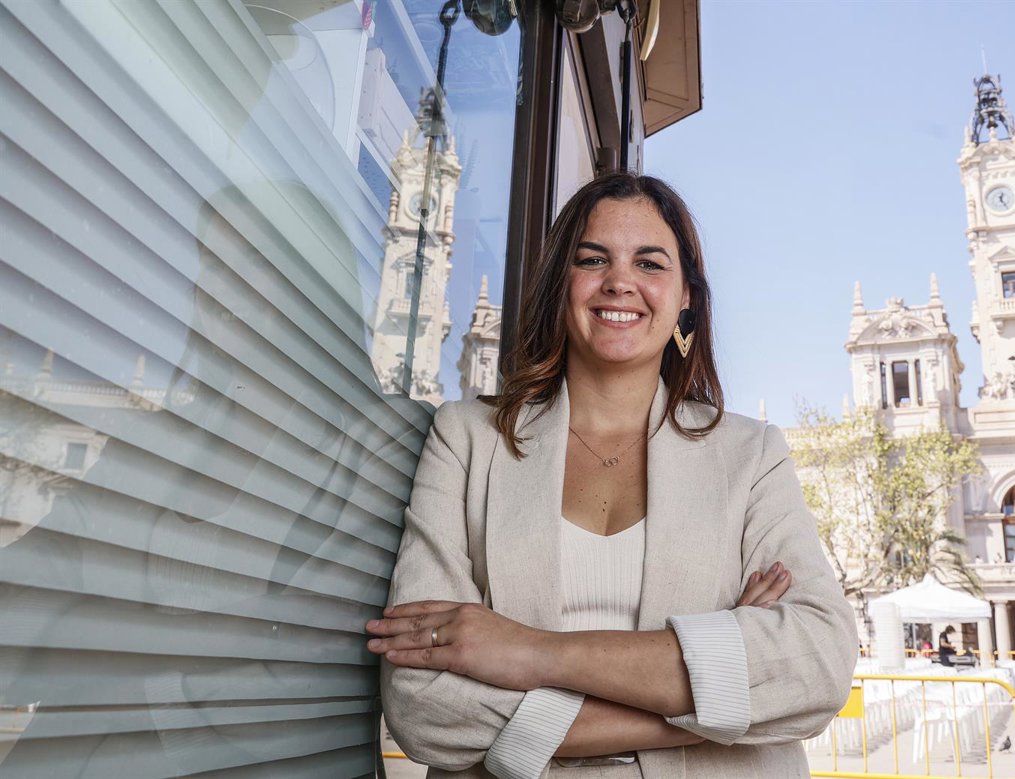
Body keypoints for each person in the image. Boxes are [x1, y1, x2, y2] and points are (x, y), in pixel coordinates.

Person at [363, 173, 858, 777]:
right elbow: (424, 705)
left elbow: (818, 665)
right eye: (593, 259)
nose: (620, 281)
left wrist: (530, 652)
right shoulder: (466, 438)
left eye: (649, 263)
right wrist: (721, 703)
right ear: (561, 284)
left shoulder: (752, 455)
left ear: (685, 298)